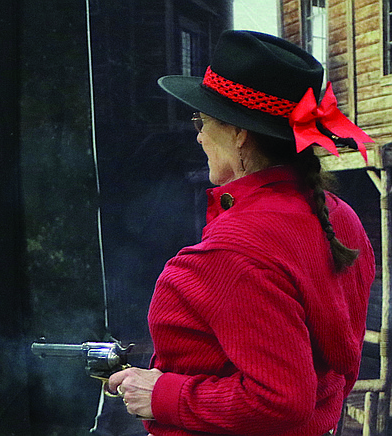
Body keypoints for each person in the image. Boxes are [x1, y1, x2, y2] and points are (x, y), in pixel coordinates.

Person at [106, 30, 376, 436]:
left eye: (202, 121)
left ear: (238, 133)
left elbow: (281, 401)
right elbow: (332, 375)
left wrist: (159, 393)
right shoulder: (342, 218)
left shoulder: (229, 254)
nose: (198, 135)